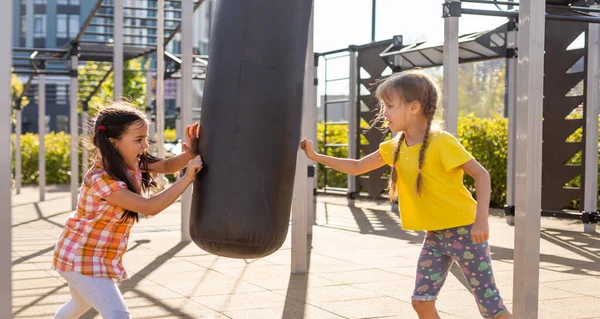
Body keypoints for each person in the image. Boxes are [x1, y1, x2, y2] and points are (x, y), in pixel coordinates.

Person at [300, 70, 512, 319]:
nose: (384, 113)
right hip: (434, 237)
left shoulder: (441, 142)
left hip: (466, 233)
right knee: (421, 302)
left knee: (490, 306)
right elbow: (357, 167)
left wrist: (482, 220)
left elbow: (482, 174)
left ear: (413, 107)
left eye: (389, 105)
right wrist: (316, 157)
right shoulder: (394, 147)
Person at [52, 103, 203, 319]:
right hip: (81, 256)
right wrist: (187, 178)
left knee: (78, 306)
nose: (145, 145)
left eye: (145, 138)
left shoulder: (130, 162)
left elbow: (167, 166)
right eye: (138, 139)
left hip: (88, 254)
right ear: (113, 143)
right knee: (117, 314)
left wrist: (190, 153)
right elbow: (150, 207)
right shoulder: (101, 179)